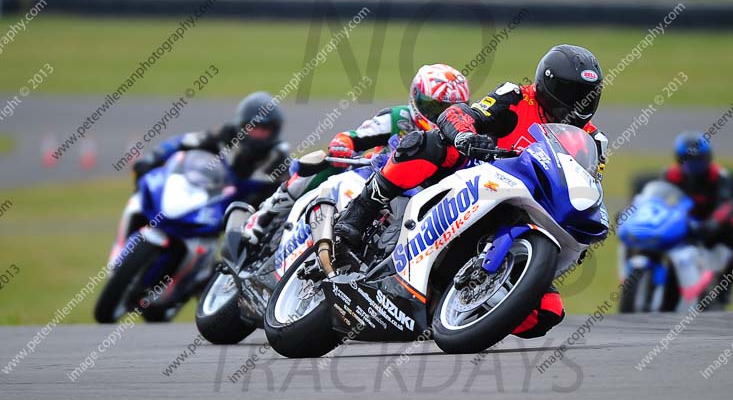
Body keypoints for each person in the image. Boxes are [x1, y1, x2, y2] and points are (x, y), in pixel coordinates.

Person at [335, 44, 609, 339]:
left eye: (585, 94)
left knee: (548, 311)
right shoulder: (516, 97)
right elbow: (461, 114)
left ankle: (462, 309)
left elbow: (586, 185)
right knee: (428, 144)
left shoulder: (594, 141)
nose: (578, 102)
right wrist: (465, 134)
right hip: (476, 176)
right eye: (570, 92)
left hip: (528, 208)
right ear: (547, 83)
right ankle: (359, 213)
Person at [241, 63, 471, 245]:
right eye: (435, 107)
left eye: (449, 110)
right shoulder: (397, 118)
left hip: (413, 201)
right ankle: (264, 215)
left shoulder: (461, 139)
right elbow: (353, 137)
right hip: (369, 178)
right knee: (320, 161)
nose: (440, 116)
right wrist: (343, 142)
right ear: (416, 98)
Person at [133, 91, 291, 203]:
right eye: (252, 127)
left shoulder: (280, 158)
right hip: (204, 201)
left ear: (274, 130)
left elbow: (286, 195)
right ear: (241, 126)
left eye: (264, 129)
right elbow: (183, 141)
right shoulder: (225, 135)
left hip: (245, 215)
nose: (257, 133)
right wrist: (151, 159)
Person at [663, 131, 733, 303]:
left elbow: (725, 204)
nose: (694, 166)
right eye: (688, 160)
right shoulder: (671, 176)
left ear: (708, 158)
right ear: (679, 160)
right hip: (685, 225)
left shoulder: (718, 175)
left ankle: (724, 283)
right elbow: (655, 199)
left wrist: (713, 222)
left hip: (717, 225)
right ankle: (661, 295)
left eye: (698, 160)